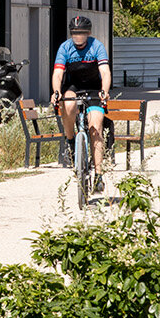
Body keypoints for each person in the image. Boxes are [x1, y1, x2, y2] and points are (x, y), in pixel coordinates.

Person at [51, 14, 111, 191]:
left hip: (93, 88)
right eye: (74, 33)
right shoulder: (65, 48)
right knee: (68, 105)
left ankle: (99, 174)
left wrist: (105, 91)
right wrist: (56, 91)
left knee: (96, 127)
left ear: (88, 33)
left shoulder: (97, 46)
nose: (78, 36)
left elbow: (105, 72)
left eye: (81, 33)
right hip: (74, 86)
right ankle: (70, 142)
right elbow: (58, 74)